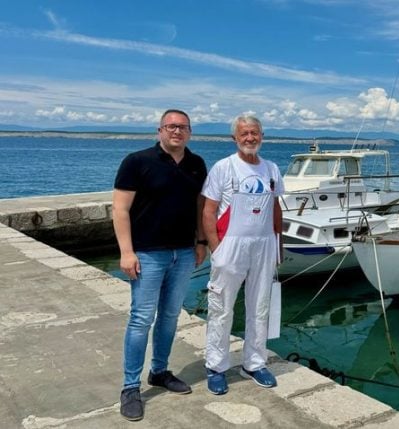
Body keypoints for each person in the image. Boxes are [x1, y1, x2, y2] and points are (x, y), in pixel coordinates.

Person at [112, 109, 208, 421]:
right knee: (141, 319)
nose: (176, 132)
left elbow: (199, 206)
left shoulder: (196, 164)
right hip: (148, 254)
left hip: (182, 253)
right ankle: (130, 387)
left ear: (190, 132)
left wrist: (200, 242)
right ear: (160, 130)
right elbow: (121, 209)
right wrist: (127, 252)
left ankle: (160, 371)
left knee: (169, 316)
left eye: (182, 127)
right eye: (171, 126)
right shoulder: (137, 161)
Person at [201, 115, 284, 395]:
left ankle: (255, 363)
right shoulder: (224, 168)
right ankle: (216, 366)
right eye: (244, 133)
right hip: (231, 246)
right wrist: (217, 249)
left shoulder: (271, 169)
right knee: (222, 308)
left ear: (262, 136)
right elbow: (209, 211)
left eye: (255, 133)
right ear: (235, 138)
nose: (250, 138)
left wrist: (278, 244)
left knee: (260, 307)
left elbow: (275, 207)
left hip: (264, 245)